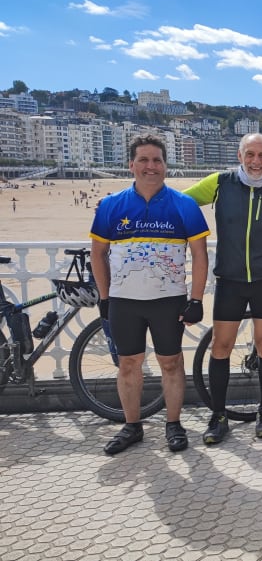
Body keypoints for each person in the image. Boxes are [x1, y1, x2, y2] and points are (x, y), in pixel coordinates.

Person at [183, 133, 262, 443]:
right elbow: (178, 202)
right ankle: (219, 414)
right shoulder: (220, 183)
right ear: (240, 156)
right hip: (230, 279)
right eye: (250, 154)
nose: (256, 161)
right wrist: (125, 202)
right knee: (221, 346)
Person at [90, 134, 210, 455]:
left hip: (168, 301)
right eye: (143, 160)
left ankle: (173, 424)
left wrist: (196, 299)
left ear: (165, 166)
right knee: (128, 364)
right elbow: (98, 253)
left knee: (170, 363)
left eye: (157, 160)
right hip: (124, 302)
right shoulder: (111, 205)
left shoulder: (184, 205)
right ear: (131, 165)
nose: (150, 166)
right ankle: (132, 426)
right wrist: (104, 297)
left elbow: (200, 255)